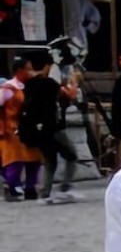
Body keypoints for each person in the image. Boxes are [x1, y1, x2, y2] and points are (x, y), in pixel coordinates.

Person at [19, 53, 81, 202]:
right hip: (53, 127)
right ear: (47, 66)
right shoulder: (49, 83)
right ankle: (65, 188)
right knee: (72, 155)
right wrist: (75, 82)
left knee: (49, 161)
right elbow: (70, 95)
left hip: (37, 129)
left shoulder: (28, 85)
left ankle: (45, 193)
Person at [0, 58, 42, 201]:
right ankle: (11, 187)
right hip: (13, 128)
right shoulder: (8, 88)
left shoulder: (30, 86)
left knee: (34, 158)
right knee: (15, 160)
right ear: (19, 71)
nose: (31, 72)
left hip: (30, 127)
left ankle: (30, 187)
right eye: (28, 69)